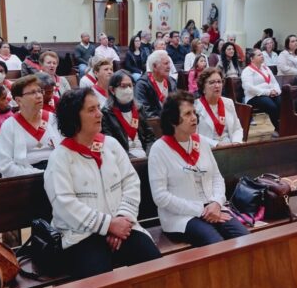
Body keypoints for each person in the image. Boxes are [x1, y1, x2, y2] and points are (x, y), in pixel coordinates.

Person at [44, 88, 161, 279]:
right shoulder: (60, 157)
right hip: (82, 235)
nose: (99, 114)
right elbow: (64, 204)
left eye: (98, 107)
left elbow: (131, 182)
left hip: (122, 225)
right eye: (91, 110)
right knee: (98, 282)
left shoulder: (111, 145)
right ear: (74, 117)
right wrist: (107, 225)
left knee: (153, 263)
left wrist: (122, 219)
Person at [148, 91, 249, 246]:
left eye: (194, 112)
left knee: (245, 238)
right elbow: (160, 197)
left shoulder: (200, 141)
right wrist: (200, 210)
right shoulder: (159, 150)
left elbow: (217, 177)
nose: (194, 117)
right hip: (181, 218)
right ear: (173, 120)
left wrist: (216, 202)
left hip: (213, 208)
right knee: (216, 243)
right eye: (188, 114)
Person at [0, 75, 61, 177]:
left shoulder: (53, 119)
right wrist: (39, 174)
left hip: (57, 171)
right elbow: (5, 165)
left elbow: (66, 150)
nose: (39, 95)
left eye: (40, 91)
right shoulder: (9, 125)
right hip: (26, 177)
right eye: (32, 93)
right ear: (18, 100)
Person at [101, 71, 156, 158]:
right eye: (123, 86)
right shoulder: (106, 113)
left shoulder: (139, 108)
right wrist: (131, 159)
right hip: (124, 158)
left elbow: (150, 137)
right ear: (112, 90)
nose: (128, 90)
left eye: (130, 86)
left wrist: (149, 155)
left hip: (145, 155)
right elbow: (109, 144)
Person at [195, 67, 243, 146]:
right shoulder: (195, 107)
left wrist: (236, 142)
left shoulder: (228, 103)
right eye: (212, 82)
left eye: (219, 82)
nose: (217, 85)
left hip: (231, 147)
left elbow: (237, 129)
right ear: (203, 88)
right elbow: (194, 135)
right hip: (209, 149)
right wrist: (216, 144)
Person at [242, 49, 281, 133]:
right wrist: (267, 92)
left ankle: (283, 126)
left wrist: (276, 91)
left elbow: (274, 82)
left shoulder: (266, 68)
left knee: (281, 102)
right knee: (271, 106)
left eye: (262, 54)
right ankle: (278, 129)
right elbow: (249, 88)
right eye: (259, 55)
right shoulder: (247, 71)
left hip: (269, 94)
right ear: (252, 59)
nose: (262, 56)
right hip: (254, 97)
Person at [135, 50, 178, 118]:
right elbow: (144, 112)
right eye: (166, 63)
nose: (169, 67)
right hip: (154, 125)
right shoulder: (142, 85)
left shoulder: (172, 82)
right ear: (154, 66)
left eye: (169, 63)